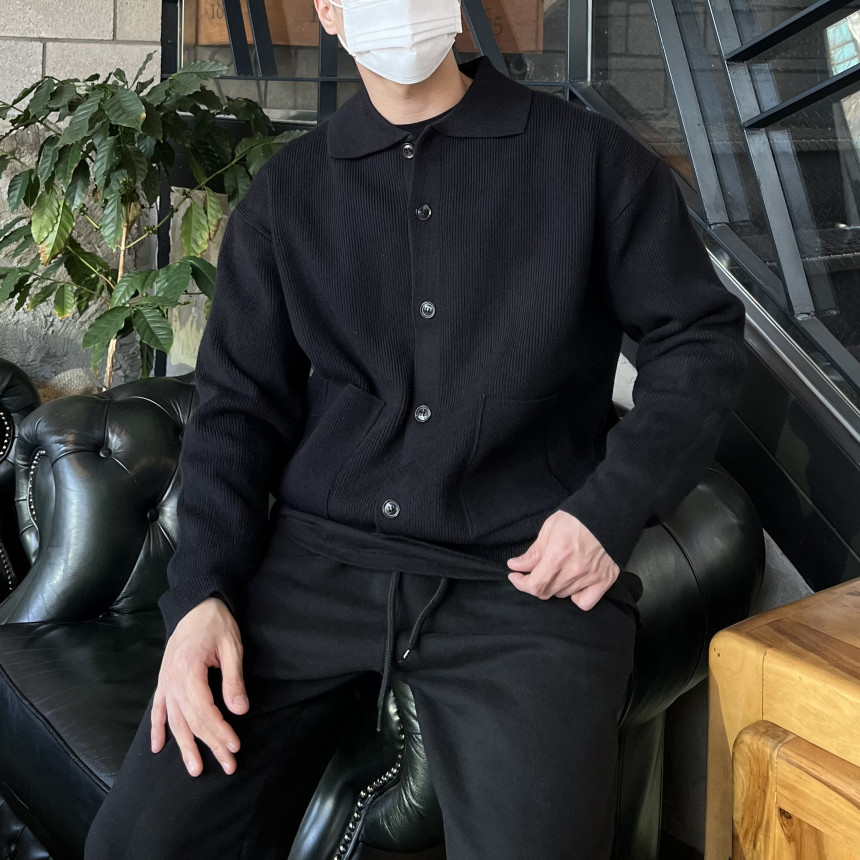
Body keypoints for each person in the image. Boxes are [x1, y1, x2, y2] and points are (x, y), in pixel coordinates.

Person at [85, 1, 747, 857]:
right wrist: (199, 598)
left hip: (522, 580)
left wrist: (606, 513)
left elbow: (698, 341)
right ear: (330, 11)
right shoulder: (288, 192)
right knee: (140, 843)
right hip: (313, 569)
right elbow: (237, 410)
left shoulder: (589, 159)